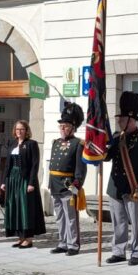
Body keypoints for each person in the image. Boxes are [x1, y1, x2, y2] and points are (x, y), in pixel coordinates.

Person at [105, 91, 138, 266]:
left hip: (134, 186)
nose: (119, 121)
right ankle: (118, 251)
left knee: (135, 222)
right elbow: (106, 157)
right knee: (118, 221)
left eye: (122, 119)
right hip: (115, 186)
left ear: (131, 120)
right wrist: (99, 146)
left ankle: (136, 252)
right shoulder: (116, 137)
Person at [48, 102, 87, 255]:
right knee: (59, 216)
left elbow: (80, 168)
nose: (62, 129)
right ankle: (62, 242)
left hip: (68, 185)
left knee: (71, 217)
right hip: (55, 185)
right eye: (61, 126)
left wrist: (77, 184)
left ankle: (73, 245)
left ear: (73, 128)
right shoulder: (56, 143)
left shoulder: (78, 144)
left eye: (65, 126)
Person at [0, 120, 45, 248]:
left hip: (25, 179)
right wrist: (4, 181)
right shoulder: (12, 143)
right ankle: (20, 237)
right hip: (12, 179)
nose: (19, 131)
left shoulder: (32, 144)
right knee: (15, 207)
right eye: (17, 129)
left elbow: (34, 165)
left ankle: (28, 238)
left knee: (25, 208)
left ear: (26, 131)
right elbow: (7, 165)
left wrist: (31, 183)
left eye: (22, 129)